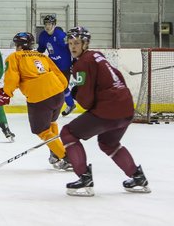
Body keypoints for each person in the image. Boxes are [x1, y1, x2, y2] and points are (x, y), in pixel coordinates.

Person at [61, 26, 150, 197]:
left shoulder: (82, 63)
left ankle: (84, 177)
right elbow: (119, 78)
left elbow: (87, 101)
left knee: (68, 133)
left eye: (77, 43)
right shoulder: (98, 56)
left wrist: (75, 93)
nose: (73, 47)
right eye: (70, 43)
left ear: (85, 44)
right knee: (108, 143)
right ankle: (137, 177)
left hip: (109, 110)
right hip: (125, 108)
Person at [0, 32, 71, 170]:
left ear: (19, 45)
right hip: (58, 93)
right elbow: (59, 75)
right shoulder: (42, 56)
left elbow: (12, 77)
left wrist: (6, 94)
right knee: (51, 124)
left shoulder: (15, 56)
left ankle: (68, 158)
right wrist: (60, 88)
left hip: (40, 96)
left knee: (41, 130)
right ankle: (55, 153)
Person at [37, 15, 76, 116]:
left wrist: (75, 61)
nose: (47, 26)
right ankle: (65, 105)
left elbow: (71, 48)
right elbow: (41, 49)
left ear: (54, 25)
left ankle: (69, 104)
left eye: (49, 24)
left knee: (62, 87)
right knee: (51, 86)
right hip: (52, 65)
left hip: (65, 66)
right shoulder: (43, 36)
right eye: (45, 24)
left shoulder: (61, 35)